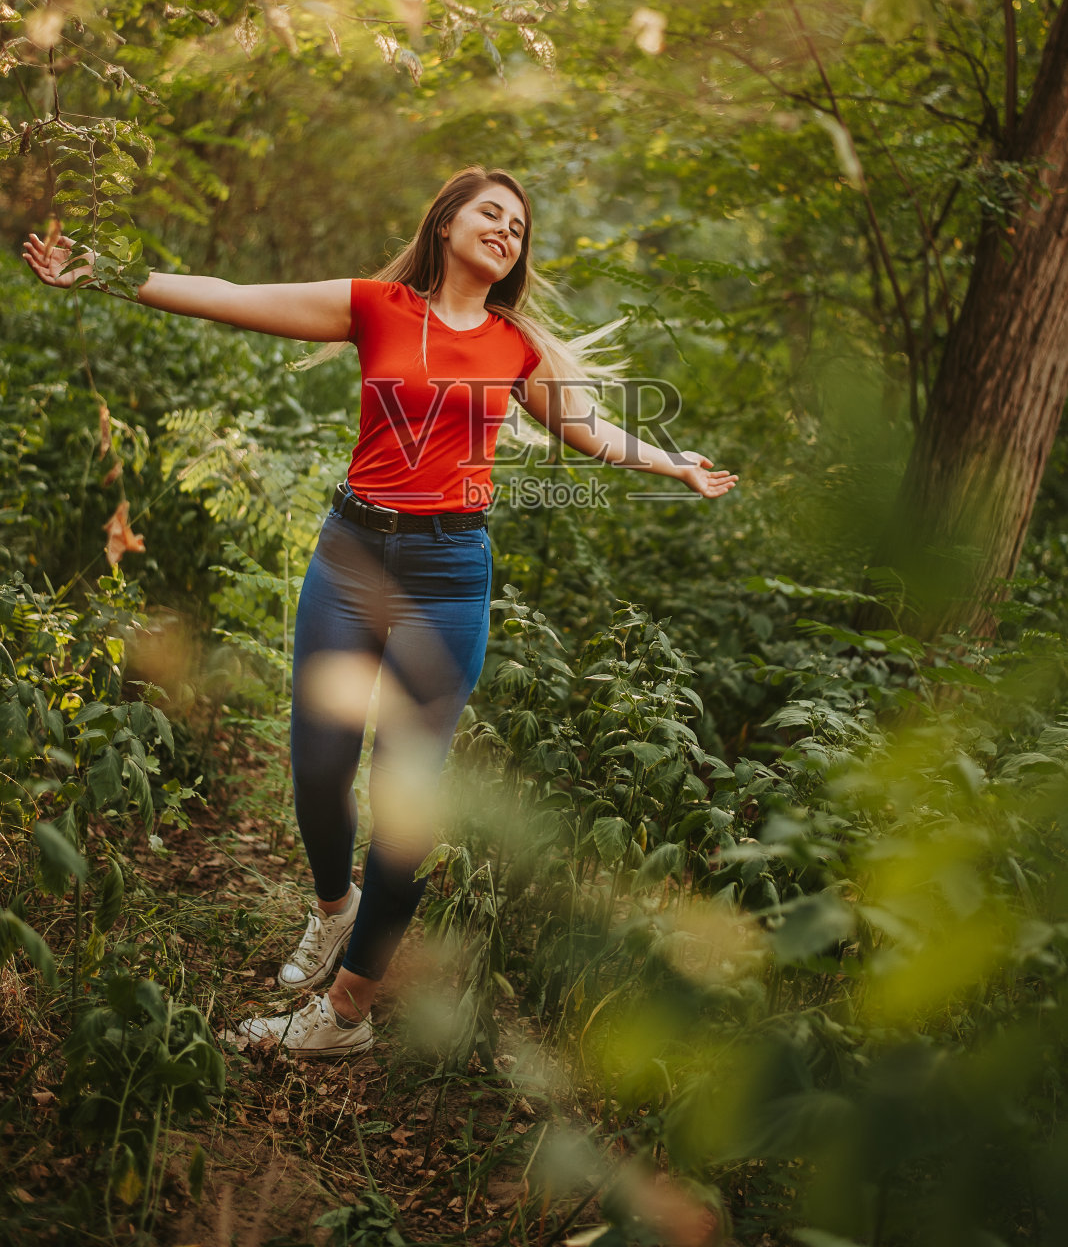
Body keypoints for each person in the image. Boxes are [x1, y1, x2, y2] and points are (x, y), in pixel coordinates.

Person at [23, 164, 738, 1059]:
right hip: (352, 556)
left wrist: (673, 464)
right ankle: (334, 909)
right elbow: (229, 294)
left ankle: (346, 1017)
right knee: (319, 768)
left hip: (447, 577)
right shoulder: (378, 307)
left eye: (520, 226)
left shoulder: (515, 348)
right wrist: (103, 270)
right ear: (446, 223)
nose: (508, 231)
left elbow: (590, 429)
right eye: (492, 213)